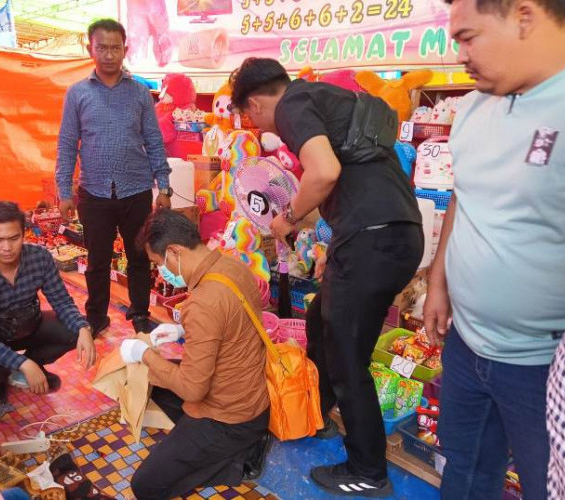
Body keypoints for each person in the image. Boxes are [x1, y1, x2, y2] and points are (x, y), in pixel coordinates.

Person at [230, 58, 423, 496]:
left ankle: (367, 469)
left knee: (346, 356)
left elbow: (324, 172)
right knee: (321, 321)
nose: (257, 123)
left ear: (256, 103)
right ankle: (316, 414)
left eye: (249, 114)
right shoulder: (331, 99)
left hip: (371, 240)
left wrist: (288, 217)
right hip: (396, 233)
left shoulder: (293, 105)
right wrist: (330, 241)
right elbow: (342, 180)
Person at [421, 0, 565, 498]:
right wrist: (438, 281)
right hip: (467, 344)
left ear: (524, 17)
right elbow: (466, 196)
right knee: (462, 470)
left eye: (467, 37)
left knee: (548, 486)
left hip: (543, 366)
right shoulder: (473, 107)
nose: (458, 53)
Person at [118, 209, 270, 500]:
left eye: (158, 262)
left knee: (145, 485)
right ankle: (213, 444)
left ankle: (239, 459)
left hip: (231, 419)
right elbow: (231, 327)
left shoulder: (203, 303)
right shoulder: (231, 266)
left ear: (174, 251)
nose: (159, 270)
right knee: (155, 382)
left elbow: (192, 388)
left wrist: (144, 354)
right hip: (252, 397)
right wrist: (181, 331)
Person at [55, 18, 172, 335]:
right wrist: (64, 192)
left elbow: (154, 141)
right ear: (89, 48)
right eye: (101, 47)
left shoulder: (139, 94)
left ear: (125, 49)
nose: (108, 54)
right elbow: (67, 145)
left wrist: (165, 185)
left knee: (138, 257)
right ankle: (95, 318)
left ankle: (139, 315)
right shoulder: (77, 94)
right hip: (94, 194)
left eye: (115, 48)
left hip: (136, 191)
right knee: (97, 261)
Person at [0, 201, 96, 401]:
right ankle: (12, 370)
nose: (7, 248)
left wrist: (83, 329)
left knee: (76, 329)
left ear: (24, 233)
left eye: (14, 238)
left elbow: (62, 301)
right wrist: (21, 363)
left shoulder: (40, 258)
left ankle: (31, 362)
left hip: (25, 327)